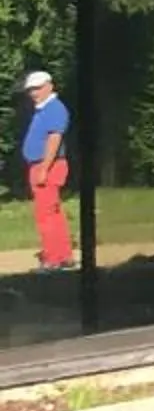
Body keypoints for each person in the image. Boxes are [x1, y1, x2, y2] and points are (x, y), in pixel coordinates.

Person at [21, 68, 71, 273]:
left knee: (46, 214)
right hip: (43, 165)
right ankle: (63, 255)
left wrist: (44, 168)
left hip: (47, 165)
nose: (34, 93)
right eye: (31, 89)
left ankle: (52, 259)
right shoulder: (43, 109)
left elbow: (54, 139)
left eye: (38, 88)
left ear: (49, 86)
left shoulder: (54, 108)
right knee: (53, 213)